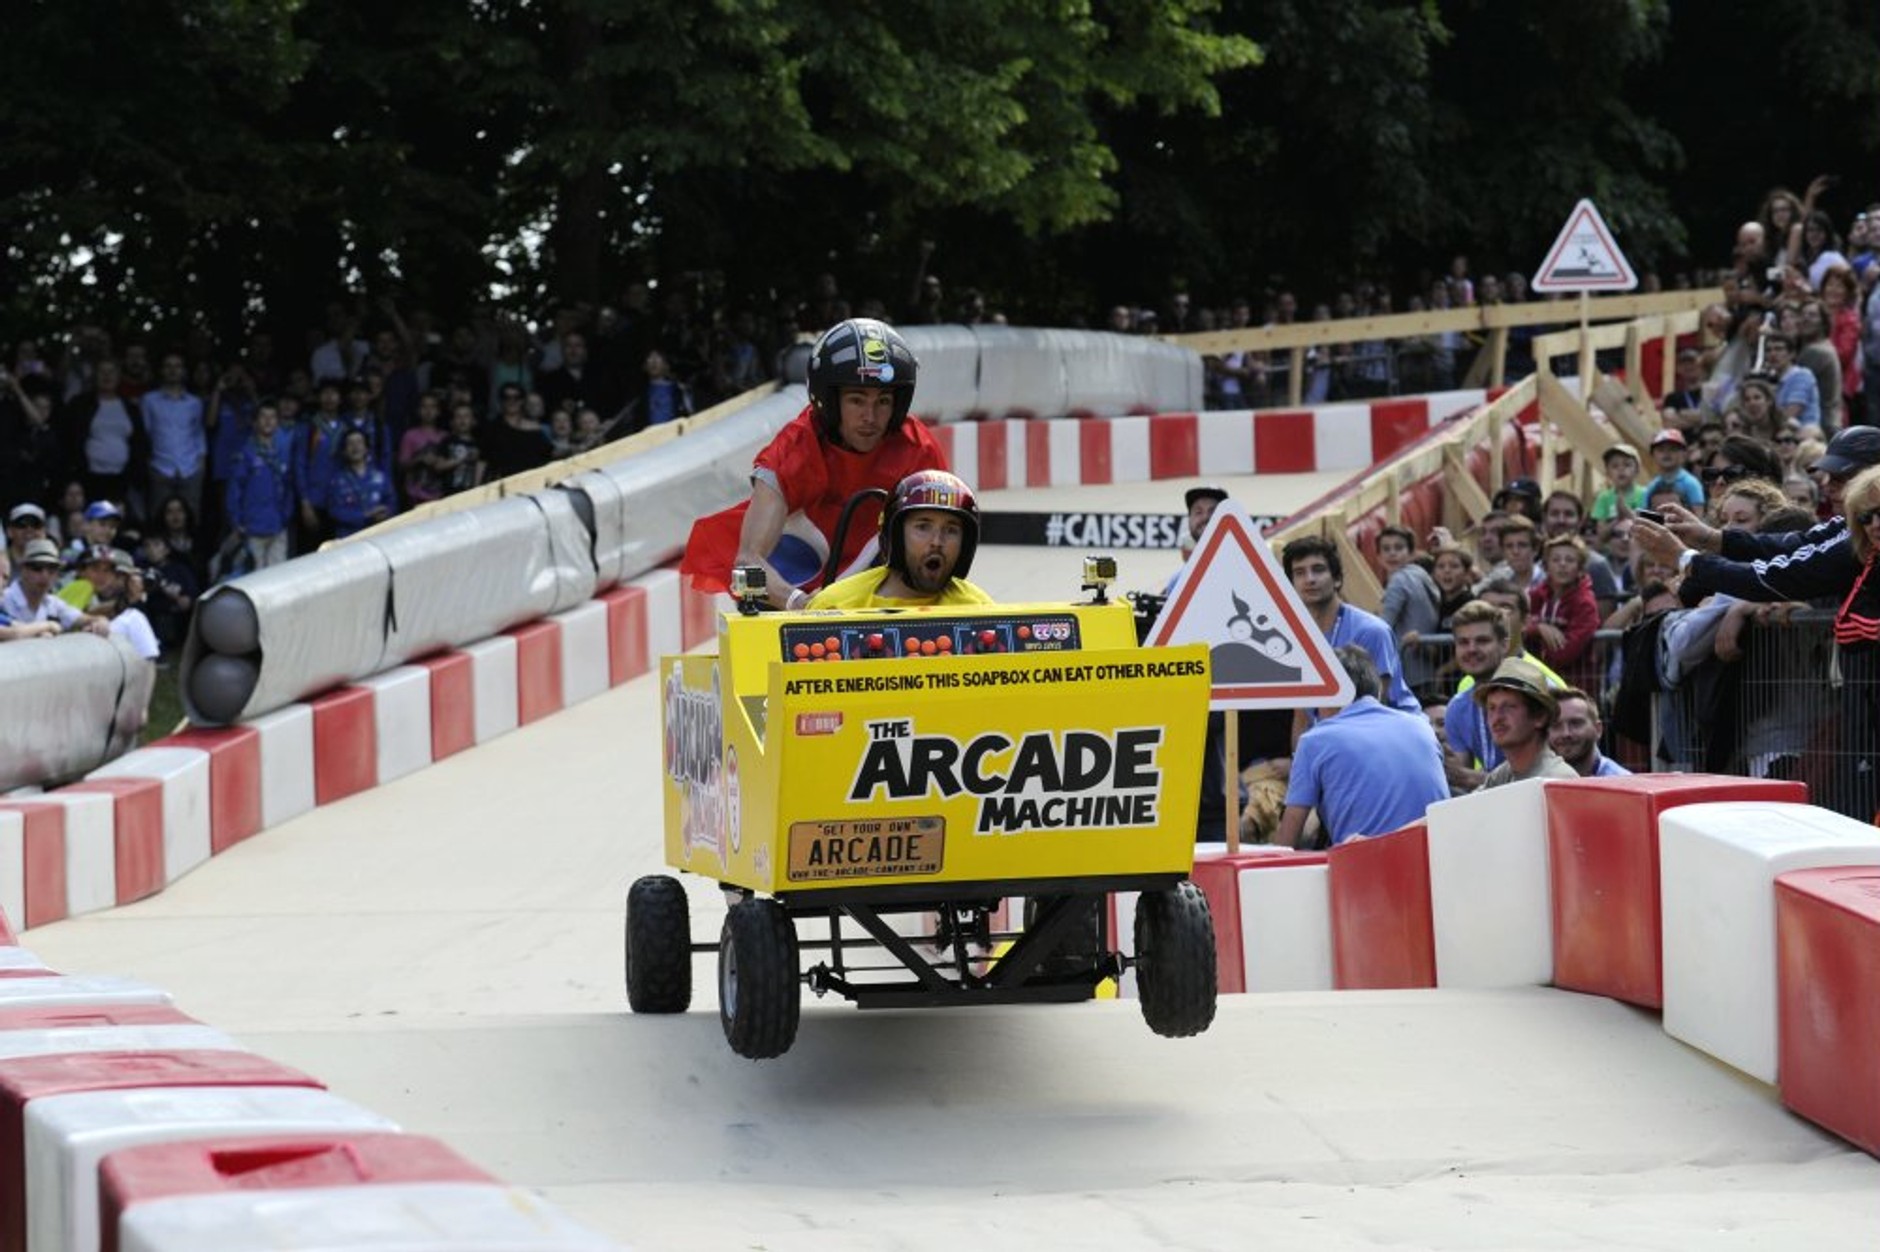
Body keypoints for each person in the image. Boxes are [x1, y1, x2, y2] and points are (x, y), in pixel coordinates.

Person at [683, 318, 948, 610]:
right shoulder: (794, 451)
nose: (870, 417)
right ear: (830, 402)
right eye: (857, 401)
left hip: (880, 590)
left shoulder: (918, 450)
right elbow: (746, 565)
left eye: (883, 401)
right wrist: (800, 606)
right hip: (791, 597)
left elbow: (941, 547)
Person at [1271, 645, 1448, 850]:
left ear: (1325, 694)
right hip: (1438, 857)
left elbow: (1287, 840)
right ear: (1378, 690)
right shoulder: (1421, 725)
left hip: (1369, 863)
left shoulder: (1315, 740)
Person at [806, 471, 991, 610]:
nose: (937, 541)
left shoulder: (980, 609)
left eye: (951, 530)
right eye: (923, 527)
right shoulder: (834, 606)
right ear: (895, 537)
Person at [1281, 535, 1420, 715]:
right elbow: (1301, 712)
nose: (1309, 579)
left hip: (1387, 731)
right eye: (1299, 573)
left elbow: (1376, 705)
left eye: (1318, 570)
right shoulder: (1294, 634)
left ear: (1337, 579)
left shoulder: (1371, 630)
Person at [1474, 657, 1578, 788]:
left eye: (1509, 707)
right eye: (1492, 708)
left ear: (1540, 716)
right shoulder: (1503, 775)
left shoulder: (1558, 781)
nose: (1497, 717)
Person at [1375, 524, 1440, 693]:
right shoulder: (1420, 575)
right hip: (1428, 669)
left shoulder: (1398, 581)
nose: (1392, 553)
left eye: (1399, 547)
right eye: (1386, 549)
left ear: (1411, 553)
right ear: (1379, 556)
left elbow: (1384, 626)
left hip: (1407, 672)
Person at [0, 538, 109, 635]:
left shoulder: (53, 603)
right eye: (37, 568)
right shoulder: (4, 599)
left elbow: (85, 619)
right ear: (23, 570)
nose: (45, 575)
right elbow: (13, 633)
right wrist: (48, 626)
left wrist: (101, 621)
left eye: (51, 569)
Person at [1550, 688, 1629, 777]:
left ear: (1598, 729)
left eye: (1576, 723)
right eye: (1556, 725)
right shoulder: (1537, 782)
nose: (1566, 733)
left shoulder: (1620, 783)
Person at [1642, 429, 1704, 510]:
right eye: (1661, 450)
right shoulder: (1652, 486)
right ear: (1653, 455)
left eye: (1672, 449)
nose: (1666, 453)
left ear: (1684, 454)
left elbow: (1698, 515)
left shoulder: (1691, 483)